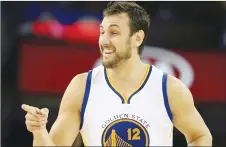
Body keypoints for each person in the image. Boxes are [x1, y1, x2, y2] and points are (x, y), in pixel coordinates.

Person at [22, 2, 212, 146]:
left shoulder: (169, 89)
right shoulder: (81, 87)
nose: (104, 40)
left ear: (137, 38)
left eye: (113, 33)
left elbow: (200, 136)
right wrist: (39, 131)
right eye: (102, 31)